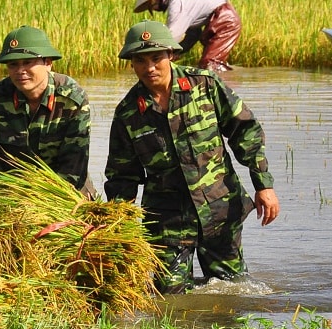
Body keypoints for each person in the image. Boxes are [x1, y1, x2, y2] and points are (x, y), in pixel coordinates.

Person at [105, 21, 279, 294]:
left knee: (233, 292)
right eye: (140, 60)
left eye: (156, 58)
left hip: (219, 209)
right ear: (131, 64)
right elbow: (121, 176)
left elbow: (245, 131)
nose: (149, 67)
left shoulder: (204, 86)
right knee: (168, 298)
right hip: (167, 221)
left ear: (171, 56)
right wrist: (120, 228)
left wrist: (263, 185)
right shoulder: (128, 112)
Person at [0, 26, 92, 195]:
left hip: (66, 193)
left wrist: (44, 203)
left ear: (48, 63)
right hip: (13, 192)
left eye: (27, 62)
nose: (20, 71)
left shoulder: (72, 99)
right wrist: (2, 197)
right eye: (13, 64)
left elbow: (74, 164)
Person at [134, 0, 242, 73]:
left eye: (153, 2)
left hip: (225, 20)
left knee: (210, 63)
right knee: (209, 63)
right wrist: (178, 52)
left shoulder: (177, 5)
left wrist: (152, 52)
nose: (155, 8)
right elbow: (193, 33)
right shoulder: (181, 2)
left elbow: (171, 36)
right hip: (223, 18)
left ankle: (227, 87)